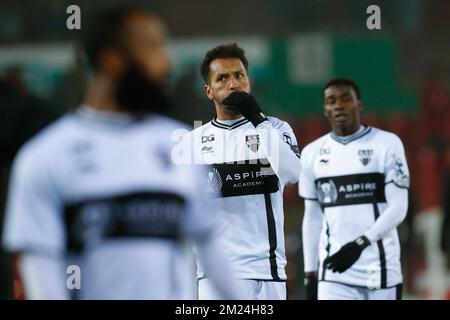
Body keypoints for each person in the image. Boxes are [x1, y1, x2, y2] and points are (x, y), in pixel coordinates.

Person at [2, 7, 239, 300]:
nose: (167, 61)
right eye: (153, 48)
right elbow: (43, 279)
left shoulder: (178, 146)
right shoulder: (44, 158)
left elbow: (216, 259)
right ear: (112, 61)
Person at [180, 43, 301, 299]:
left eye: (239, 76)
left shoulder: (276, 130)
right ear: (208, 90)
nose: (233, 84)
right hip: (215, 275)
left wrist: (257, 118)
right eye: (222, 78)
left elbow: (293, 174)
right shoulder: (191, 143)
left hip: (267, 271)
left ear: (249, 81)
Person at [299, 77, 409, 300]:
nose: (338, 105)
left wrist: (361, 243)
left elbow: (399, 207)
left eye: (345, 99)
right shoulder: (311, 153)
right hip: (334, 273)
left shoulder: (387, 144)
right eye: (331, 101)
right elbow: (312, 218)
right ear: (325, 109)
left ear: (359, 103)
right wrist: (310, 274)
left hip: (381, 270)